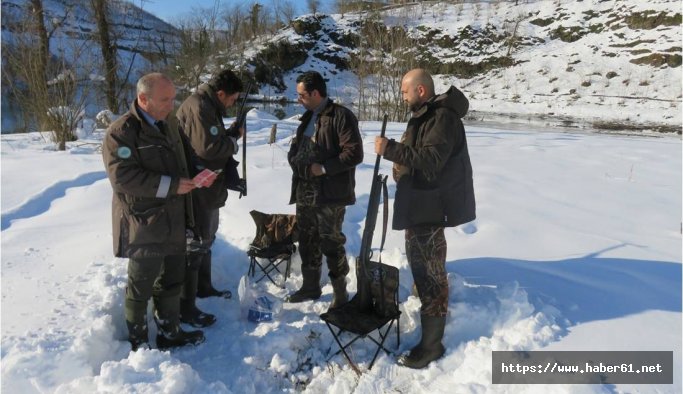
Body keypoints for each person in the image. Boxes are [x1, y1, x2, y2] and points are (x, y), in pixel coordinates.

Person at [374, 68, 475, 369]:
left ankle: (432, 346)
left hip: (430, 209)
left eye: (405, 92)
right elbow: (416, 155)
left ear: (420, 90)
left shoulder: (442, 117)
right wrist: (399, 164)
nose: (402, 97)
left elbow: (431, 161)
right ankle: (430, 329)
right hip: (419, 206)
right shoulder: (424, 116)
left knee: (430, 276)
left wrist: (390, 149)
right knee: (423, 269)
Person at [102, 73, 208, 351]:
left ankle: (169, 332)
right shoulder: (121, 132)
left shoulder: (169, 123)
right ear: (143, 99)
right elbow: (123, 178)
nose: (172, 105)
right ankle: (139, 344)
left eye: (173, 98)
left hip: (175, 217)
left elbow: (186, 155)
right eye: (165, 100)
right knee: (141, 286)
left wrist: (198, 172)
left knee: (173, 278)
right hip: (144, 221)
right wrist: (173, 186)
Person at [286, 71, 363, 310]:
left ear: (316, 93)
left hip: (329, 193)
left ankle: (340, 294)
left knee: (331, 242)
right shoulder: (307, 117)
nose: (298, 99)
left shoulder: (341, 116)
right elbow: (298, 149)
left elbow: (354, 153)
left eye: (302, 95)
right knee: (307, 240)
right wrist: (294, 159)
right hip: (305, 191)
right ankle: (310, 287)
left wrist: (324, 168)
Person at [175, 69, 244, 327]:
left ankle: (203, 287)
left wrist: (228, 135)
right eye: (232, 98)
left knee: (207, 237)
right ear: (220, 93)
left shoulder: (207, 105)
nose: (232, 103)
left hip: (207, 185)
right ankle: (186, 305)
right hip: (198, 187)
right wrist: (234, 140)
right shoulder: (199, 107)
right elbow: (209, 148)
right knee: (196, 241)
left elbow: (211, 140)